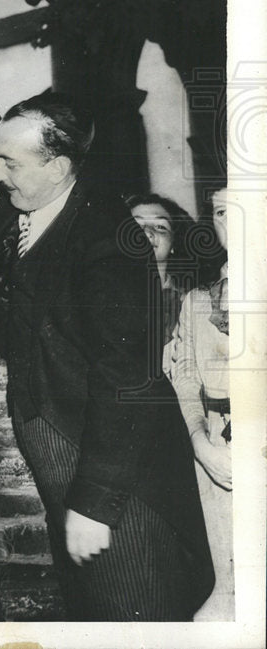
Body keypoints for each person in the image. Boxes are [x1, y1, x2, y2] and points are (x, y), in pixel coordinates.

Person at [0, 91, 213, 620]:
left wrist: (95, 505)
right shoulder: (16, 213)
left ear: (57, 166)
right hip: (62, 457)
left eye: (10, 162)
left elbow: (130, 380)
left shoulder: (111, 237)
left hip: (119, 485)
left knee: (133, 617)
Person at [166, 186, 233, 620]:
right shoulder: (198, 300)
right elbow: (186, 375)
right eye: (223, 212)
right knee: (224, 595)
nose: (234, 223)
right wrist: (198, 440)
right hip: (215, 449)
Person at [126, 192, 197, 342]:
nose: (147, 232)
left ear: (174, 243)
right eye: (135, 225)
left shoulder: (191, 304)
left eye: (160, 226)